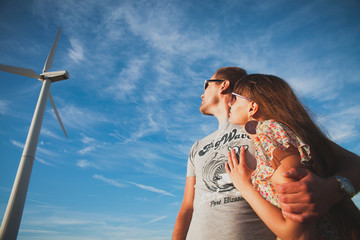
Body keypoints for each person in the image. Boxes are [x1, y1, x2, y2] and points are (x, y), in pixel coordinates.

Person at [172, 67, 360, 240]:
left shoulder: (270, 128)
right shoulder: (197, 146)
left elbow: (353, 162)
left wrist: (331, 190)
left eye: (206, 84)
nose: (201, 92)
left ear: (223, 85)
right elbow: (187, 207)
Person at [226, 73, 360, 239]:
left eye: (233, 98)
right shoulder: (293, 134)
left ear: (252, 107)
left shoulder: (270, 131)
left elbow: (299, 233)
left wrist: (245, 187)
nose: (229, 103)